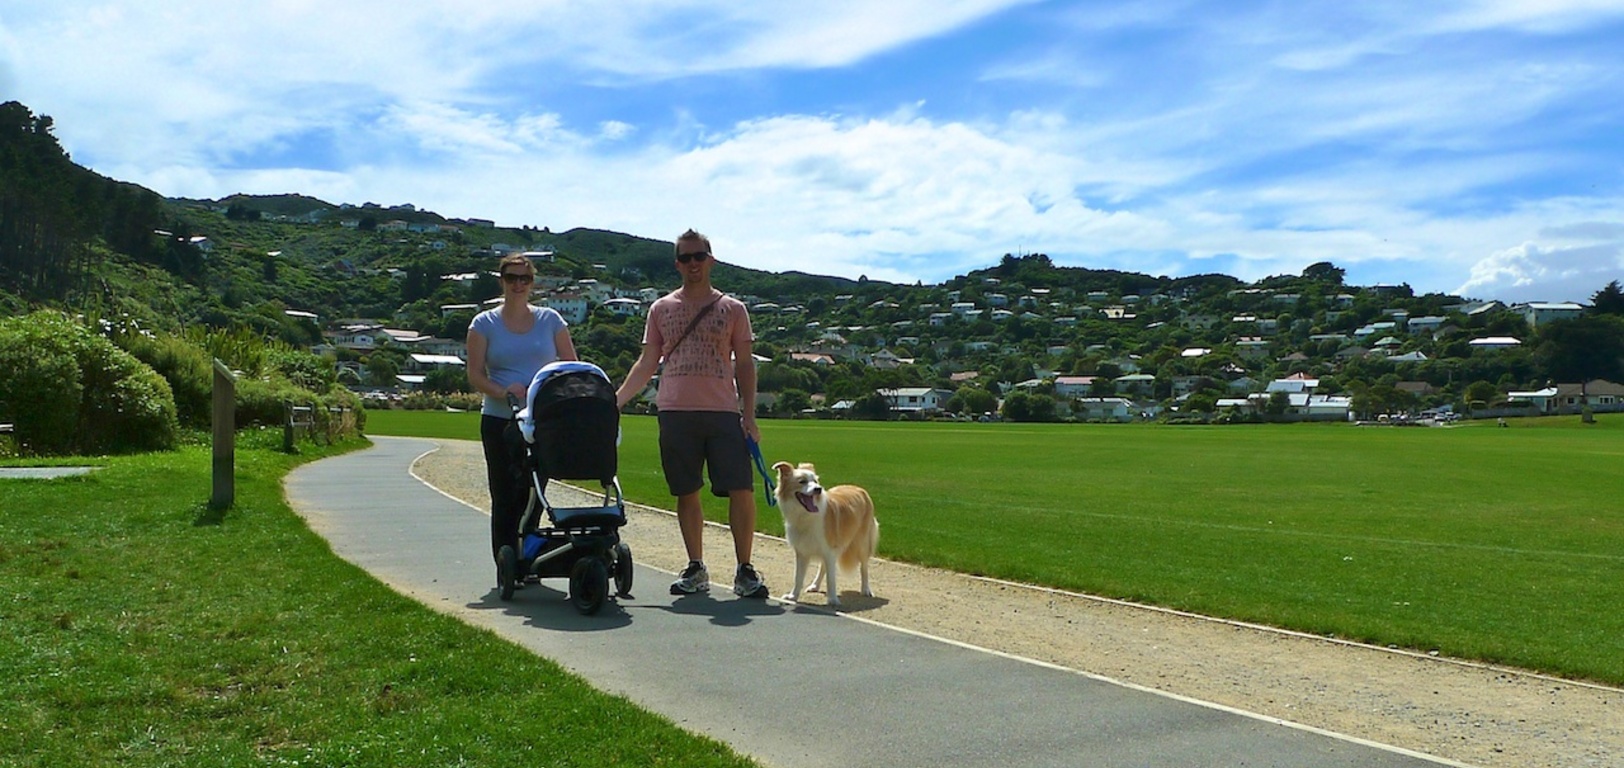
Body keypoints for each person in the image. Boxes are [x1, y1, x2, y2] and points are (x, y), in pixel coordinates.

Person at [616, 229, 768, 598]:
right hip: (675, 410)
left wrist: (749, 414)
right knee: (686, 491)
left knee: (741, 488)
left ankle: (744, 569)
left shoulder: (733, 309)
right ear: (677, 264)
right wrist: (614, 401)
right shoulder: (661, 309)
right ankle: (696, 566)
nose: (693, 264)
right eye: (685, 258)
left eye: (698, 256)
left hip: (722, 411)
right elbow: (647, 361)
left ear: (711, 260)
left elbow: (745, 364)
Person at [466, 254, 577, 584]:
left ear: (533, 283)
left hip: (540, 421)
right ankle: (506, 561)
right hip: (500, 418)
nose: (518, 285)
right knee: (504, 493)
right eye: (511, 278)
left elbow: (570, 365)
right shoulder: (484, 324)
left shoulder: (551, 320)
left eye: (524, 279)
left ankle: (528, 555)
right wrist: (503, 391)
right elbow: (474, 374)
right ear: (501, 281)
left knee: (534, 492)